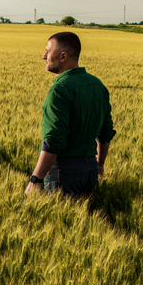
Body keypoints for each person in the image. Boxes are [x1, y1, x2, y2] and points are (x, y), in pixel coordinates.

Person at [24, 32, 115, 197]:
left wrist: (35, 179)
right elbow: (106, 133)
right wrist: (99, 165)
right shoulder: (98, 85)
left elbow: (53, 142)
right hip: (90, 169)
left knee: (59, 221)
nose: (44, 56)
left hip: (64, 171)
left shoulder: (60, 90)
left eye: (48, 51)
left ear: (63, 56)